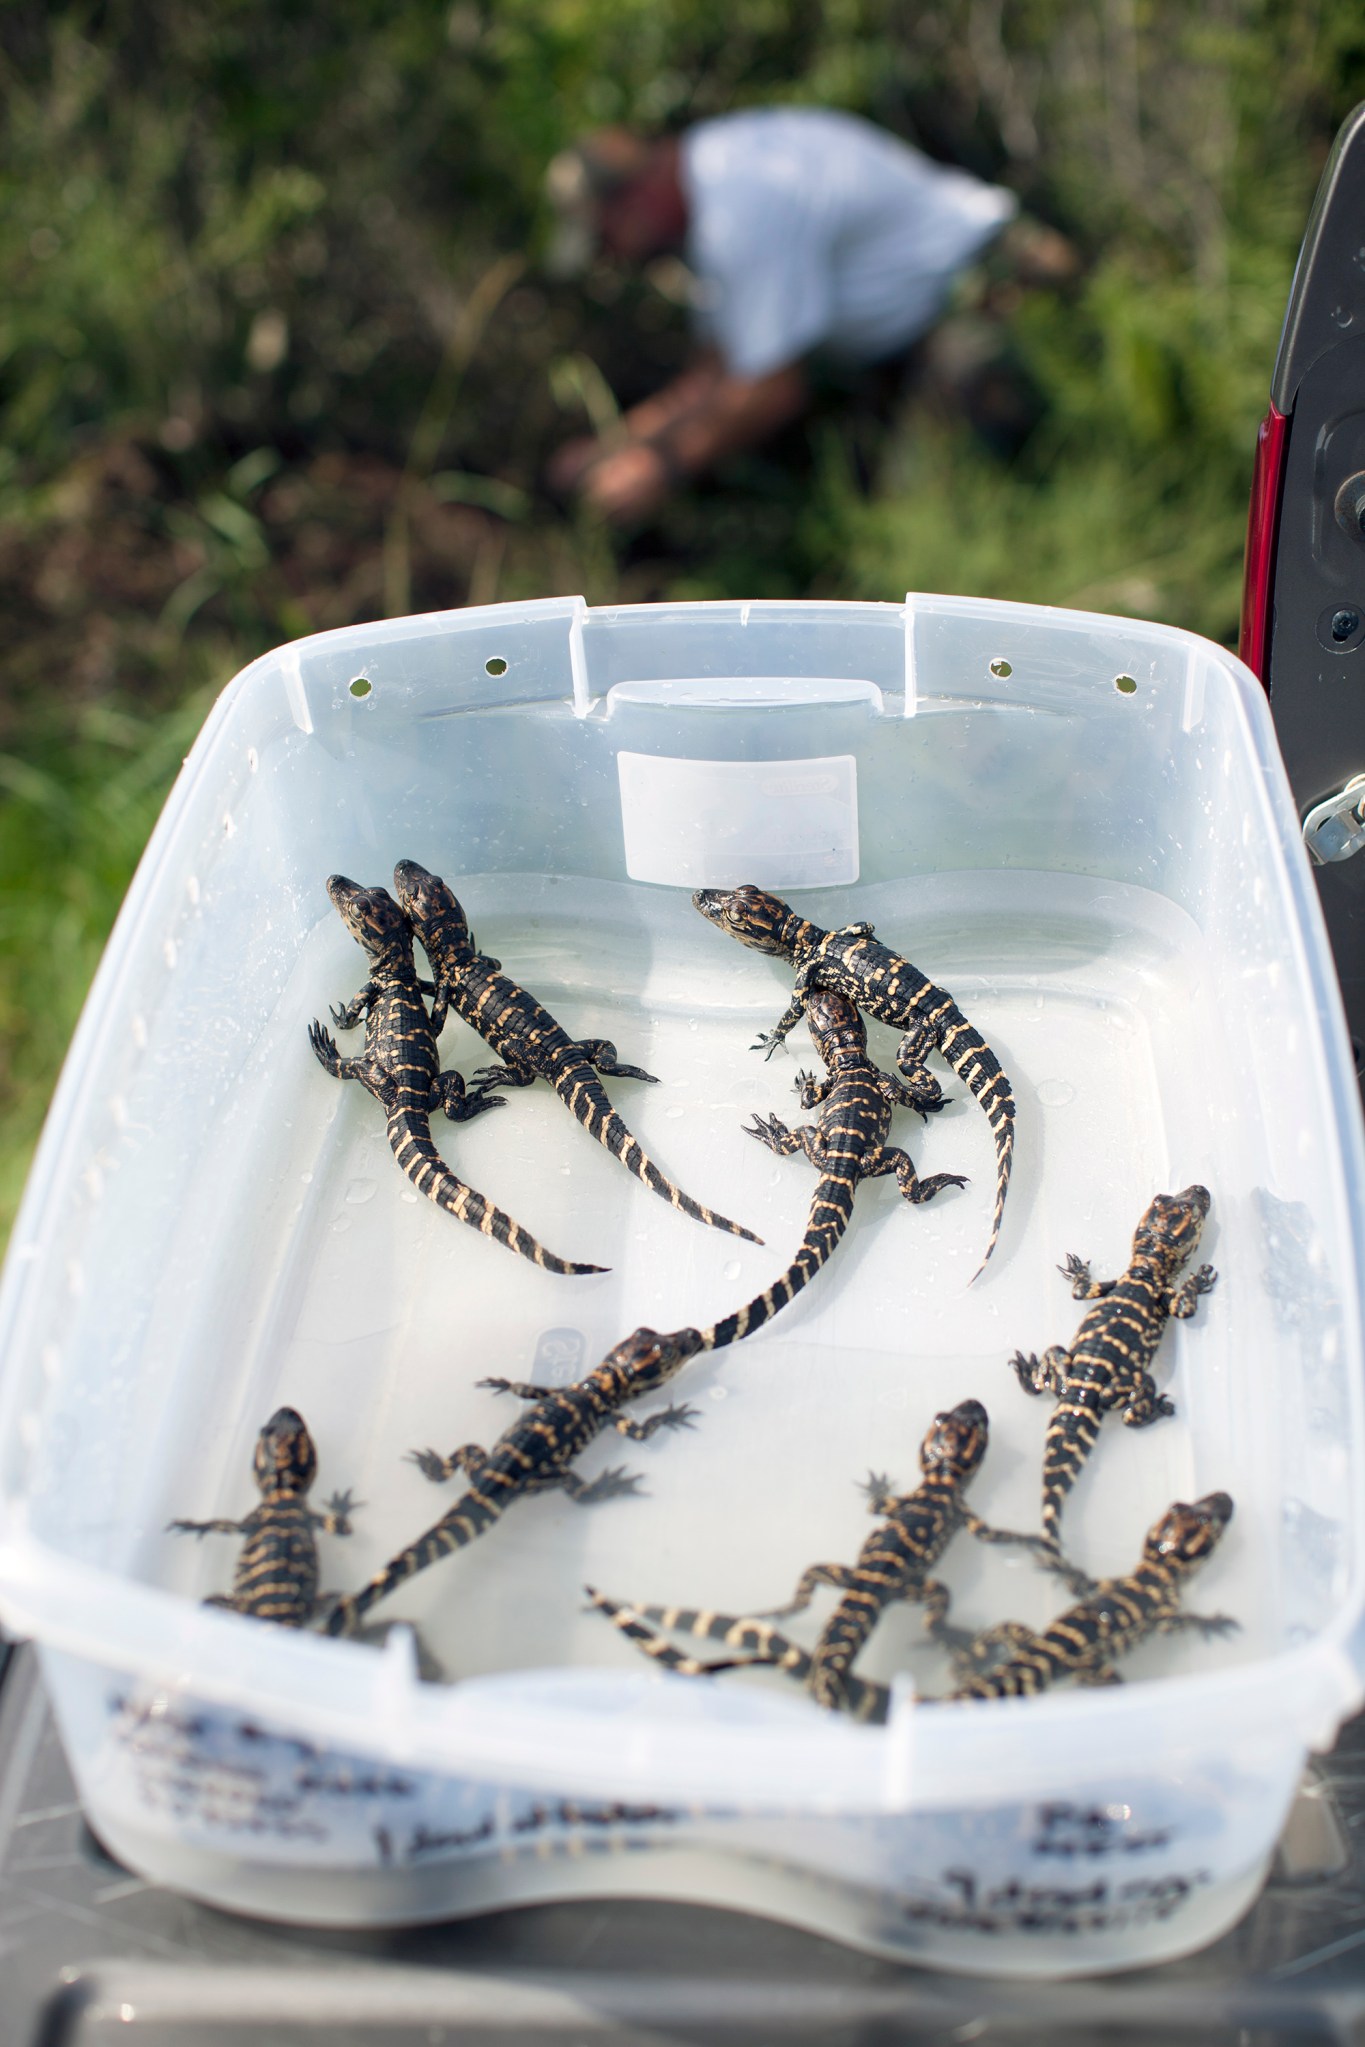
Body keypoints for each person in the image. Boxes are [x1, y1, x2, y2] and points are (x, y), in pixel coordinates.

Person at [543, 108, 1075, 522]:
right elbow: (720, 371)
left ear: (638, 196)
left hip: (991, 296)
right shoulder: (714, 184)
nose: (612, 256)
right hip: (924, 334)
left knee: (918, 525)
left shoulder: (741, 208)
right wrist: (620, 446)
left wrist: (660, 468)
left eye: (607, 236)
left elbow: (773, 388)